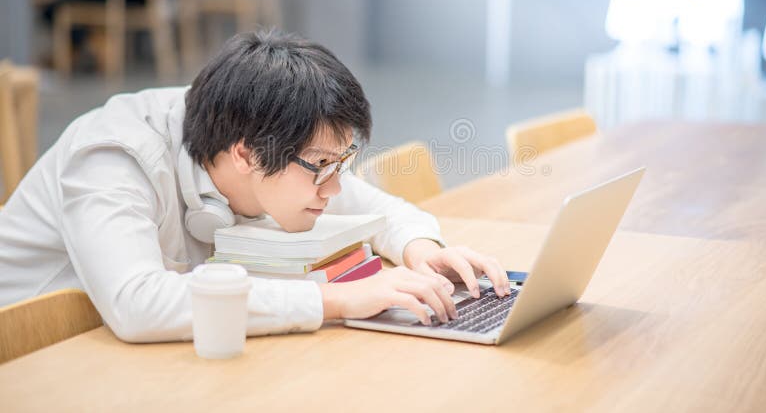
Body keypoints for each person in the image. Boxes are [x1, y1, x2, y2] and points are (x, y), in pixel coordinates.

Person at [0, 30, 510, 342]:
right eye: (321, 165)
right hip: (34, 357)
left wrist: (422, 249)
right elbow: (138, 304)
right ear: (245, 153)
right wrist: (334, 299)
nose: (333, 188)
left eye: (342, 162)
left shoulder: (248, 128)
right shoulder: (111, 156)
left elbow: (377, 208)